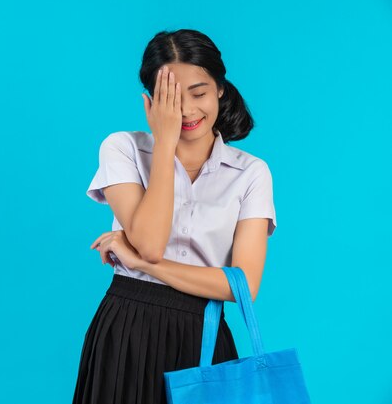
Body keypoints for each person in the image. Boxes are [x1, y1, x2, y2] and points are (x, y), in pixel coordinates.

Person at [71, 29, 277, 404]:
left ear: (220, 89)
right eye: (170, 99)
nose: (186, 111)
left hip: (204, 336)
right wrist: (164, 143)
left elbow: (242, 286)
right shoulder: (123, 148)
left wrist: (143, 264)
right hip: (127, 329)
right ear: (150, 103)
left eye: (198, 93)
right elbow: (149, 242)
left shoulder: (251, 173)